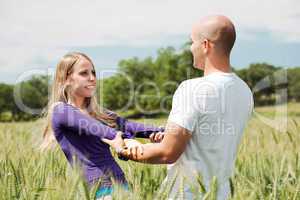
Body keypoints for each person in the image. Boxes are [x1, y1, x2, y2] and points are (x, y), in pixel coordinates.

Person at [105, 15, 254, 199]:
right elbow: (209, 141)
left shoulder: (191, 89)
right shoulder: (245, 91)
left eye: (193, 42)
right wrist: (169, 138)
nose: (191, 48)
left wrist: (124, 148)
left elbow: (168, 153)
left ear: (205, 45)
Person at [41, 52, 164, 199]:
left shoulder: (99, 113)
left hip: (121, 185)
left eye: (93, 72)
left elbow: (130, 126)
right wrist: (127, 140)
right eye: (84, 73)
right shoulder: (61, 110)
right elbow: (100, 130)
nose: (92, 78)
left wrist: (164, 132)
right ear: (66, 79)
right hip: (100, 190)